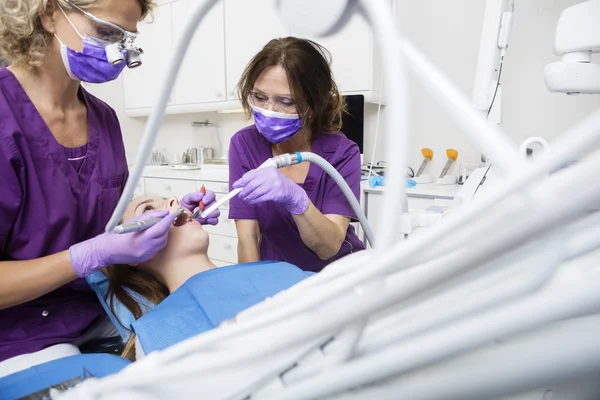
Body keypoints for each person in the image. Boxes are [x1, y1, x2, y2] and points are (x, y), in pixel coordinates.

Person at [0, 0, 219, 372]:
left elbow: (93, 211)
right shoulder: (7, 118)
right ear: (50, 13)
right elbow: (91, 243)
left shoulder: (103, 119)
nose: (120, 52)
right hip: (21, 335)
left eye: (127, 37)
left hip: (101, 311)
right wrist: (88, 255)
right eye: (106, 32)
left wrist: (158, 216)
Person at [102, 195, 311, 361]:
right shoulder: (152, 338)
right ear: (132, 253)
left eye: (167, 199)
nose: (175, 200)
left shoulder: (279, 271)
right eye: (147, 209)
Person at [229, 37, 365, 273]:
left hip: (338, 276)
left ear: (315, 103)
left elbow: (329, 247)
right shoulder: (244, 144)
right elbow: (248, 237)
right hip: (277, 276)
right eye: (260, 97)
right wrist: (252, 293)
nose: (269, 110)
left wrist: (298, 201)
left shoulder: (342, 153)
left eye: (286, 101)